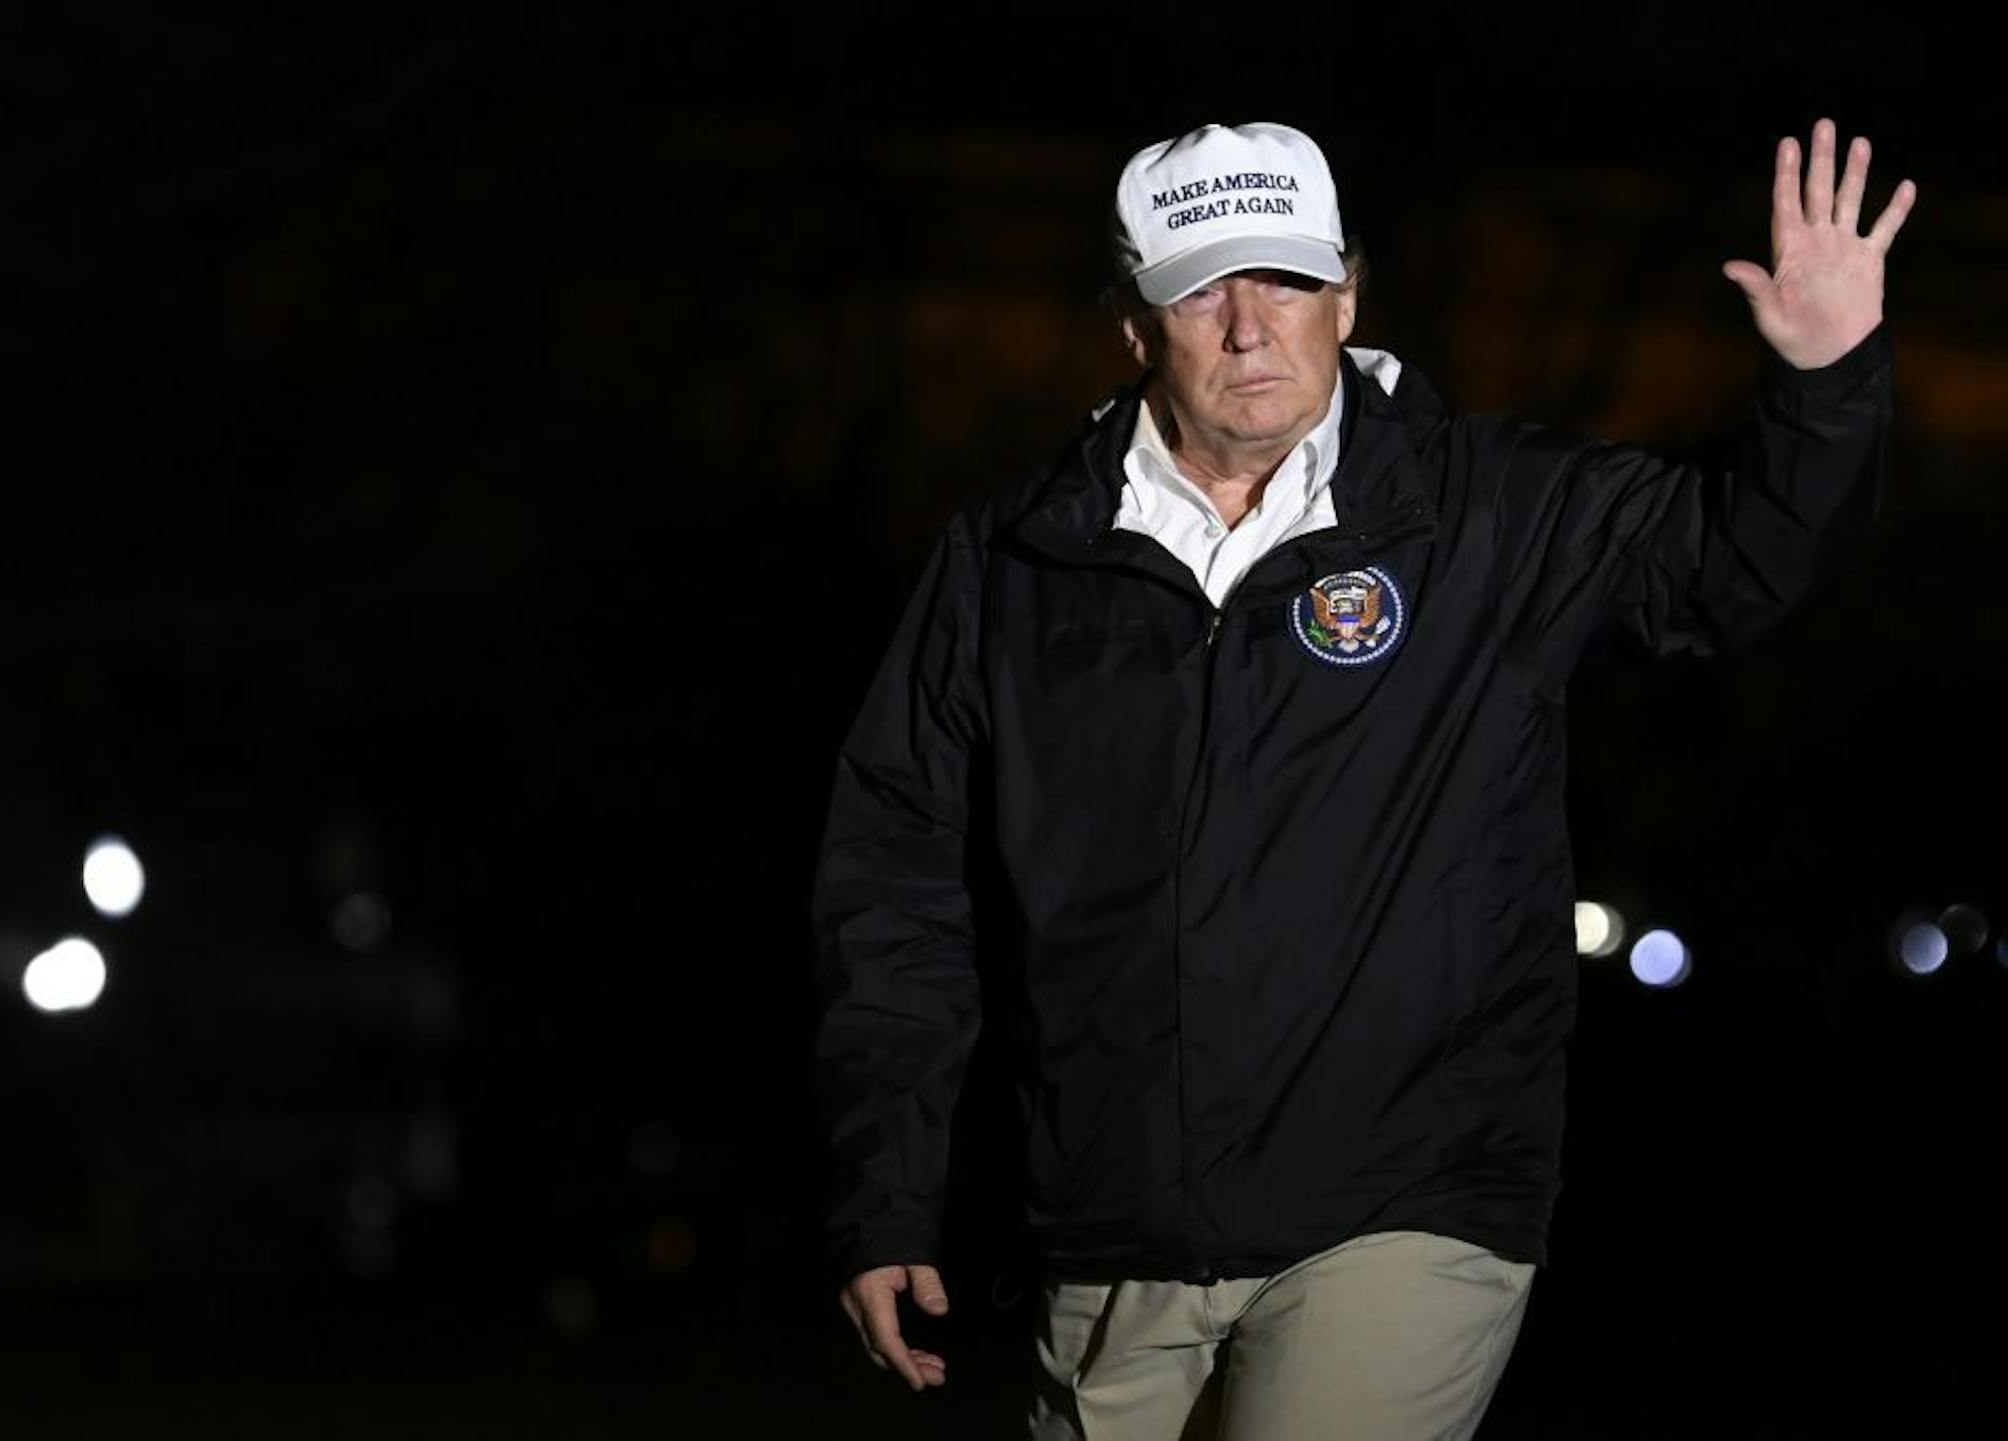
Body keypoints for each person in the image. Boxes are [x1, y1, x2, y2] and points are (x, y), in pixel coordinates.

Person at [811, 118, 1915, 1439]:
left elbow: (1738, 561)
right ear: (1129, 321)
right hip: (1112, 1217)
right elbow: (897, 876)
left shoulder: (1494, 513)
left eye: (1282, 279)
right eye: (1200, 287)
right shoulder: (1013, 563)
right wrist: (887, 1189)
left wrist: (1828, 379)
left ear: (1347, 294)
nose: (1247, 326)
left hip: (1404, 1200)